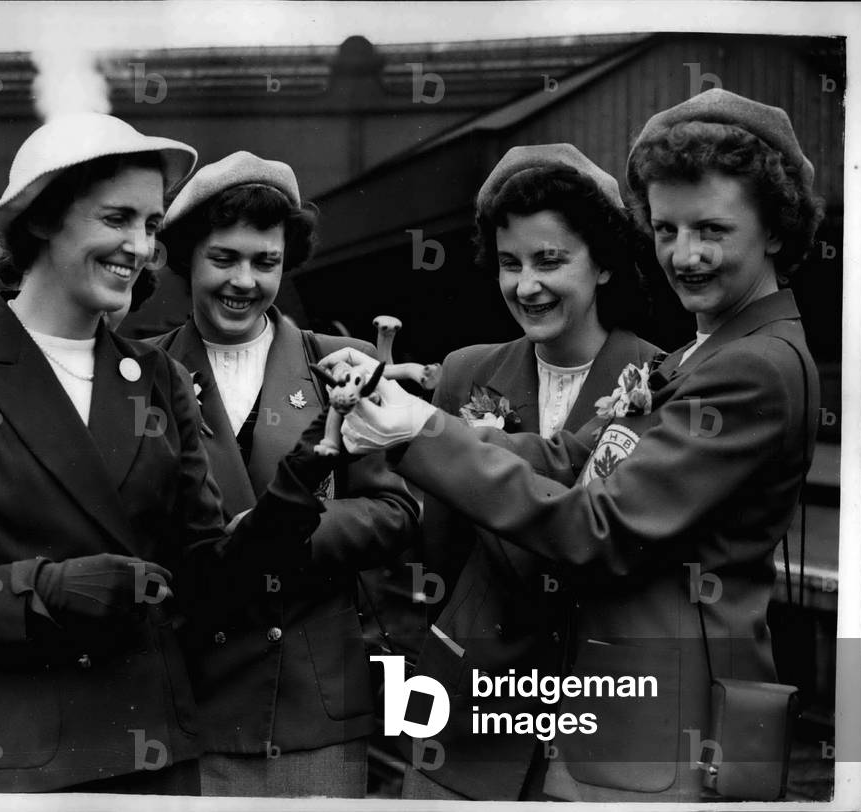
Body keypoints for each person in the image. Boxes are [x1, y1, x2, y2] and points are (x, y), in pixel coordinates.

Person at [322, 88, 823, 802]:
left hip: (653, 731)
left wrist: (422, 432)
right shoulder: (701, 351)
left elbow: (598, 526)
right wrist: (410, 416)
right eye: (666, 228)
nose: (685, 255)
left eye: (711, 229)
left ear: (774, 229)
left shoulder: (750, 366)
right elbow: (567, 459)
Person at [0, 114, 336, 794]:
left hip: (149, 761)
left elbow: (203, 582)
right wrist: (43, 591)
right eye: (117, 218)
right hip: (1, 762)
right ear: (42, 218)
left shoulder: (157, 376)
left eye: (152, 225)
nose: (139, 247)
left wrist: (298, 487)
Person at [149, 151, 419, 797]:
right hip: (189, 703)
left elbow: (394, 513)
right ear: (188, 258)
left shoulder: (339, 365)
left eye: (264, 262)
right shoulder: (144, 373)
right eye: (224, 259)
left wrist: (278, 531)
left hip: (310, 706)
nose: (243, 281)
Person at [398, 144, 661, 801]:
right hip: (467, 707)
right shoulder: (464, 373)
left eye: (550, 260)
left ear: (601, 263)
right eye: (510, 263)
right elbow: (432, 552)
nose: (526, 285)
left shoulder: (656, 379)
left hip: (596, 709)